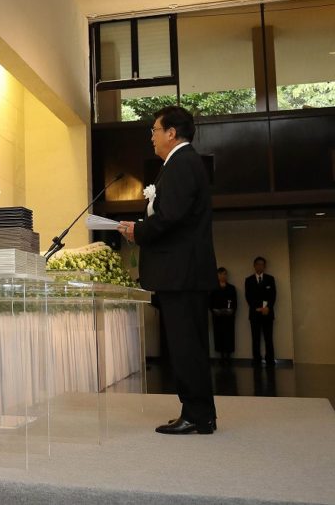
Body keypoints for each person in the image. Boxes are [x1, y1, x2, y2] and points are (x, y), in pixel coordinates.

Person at [118, 106, 217, 435]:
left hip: (182, 273)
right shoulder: (181, 163)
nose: (152, 137)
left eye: (155, 130)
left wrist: (138, 231)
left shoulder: (182, 163)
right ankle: (200, 414)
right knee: (188, 345)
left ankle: (196, 414)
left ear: (171, 133)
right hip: (183, 272)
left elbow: (171, 217)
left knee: (186, 346)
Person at [245, 256, 277, 366]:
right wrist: (257, 308)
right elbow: (248, 297)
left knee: (268, 338)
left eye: (262, 264)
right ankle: (257, 359)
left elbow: (273, 296)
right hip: (255, 313)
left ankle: (270, 359)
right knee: (256, 338)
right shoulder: (249, 280)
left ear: (265, 266)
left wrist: (268, 307)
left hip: (268, 313)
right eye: (258, 264)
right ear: (254, 266)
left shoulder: (270, 279)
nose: (260, 266)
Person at [209, 267, 237, 363]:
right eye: (220, 274)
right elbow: (210, 303)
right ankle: (221, 356)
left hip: (229, 317)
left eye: (224, 274)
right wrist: (214, 310)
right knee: (219, 335)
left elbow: (235, 302)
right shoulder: (213, 288)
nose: (223, 276)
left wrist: (231, 310)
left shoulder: (231, 288)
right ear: (217, 276)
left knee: (229, 335)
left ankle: (228, 356)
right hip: (217, 317)